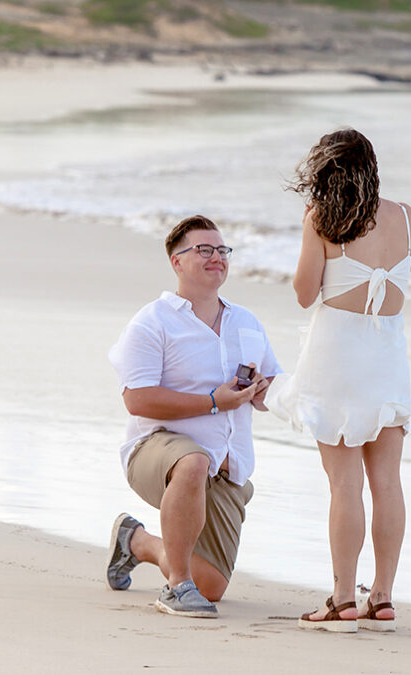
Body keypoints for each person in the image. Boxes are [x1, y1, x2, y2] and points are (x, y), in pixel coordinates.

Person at [267, 128, 411, 633]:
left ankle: (341, 599)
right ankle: (383, 596)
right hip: (387, 360)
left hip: (337, 361)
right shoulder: (406, 218)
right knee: (387, 482)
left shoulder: (322, 219)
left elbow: (306, 294)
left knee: (344, 485)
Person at [106, 214, 281, 618]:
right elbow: (137, 400)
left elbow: (268, 389)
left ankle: (136, 541)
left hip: (225, 468)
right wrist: (213, 402)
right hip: (156, 449)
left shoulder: (246, 322)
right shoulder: (152, 322)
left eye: (222, 250)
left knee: (213, 587)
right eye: (204, 249)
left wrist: (265, 390)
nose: (216, 257)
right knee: (193, 460)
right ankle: (176, 588)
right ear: (177, 262)